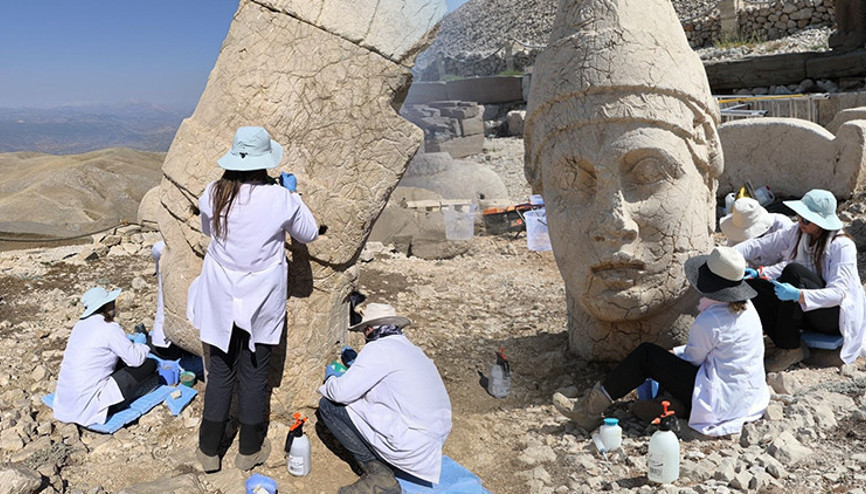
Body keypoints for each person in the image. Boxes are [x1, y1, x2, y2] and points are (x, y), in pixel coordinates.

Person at [187, 126, 319, 472]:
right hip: (261, 300)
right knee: (255, 373)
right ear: (265, 163)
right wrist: (294, 194)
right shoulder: (280, 199)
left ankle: (208, 452)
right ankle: (249, 451)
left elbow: (207, 229)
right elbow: (308, 233)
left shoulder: (214, 191)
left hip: (221, 296)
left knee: (220, 372)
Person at [553, 246, 770, 437]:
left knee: (647, 355)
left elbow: (693, 360)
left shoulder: (710, 320)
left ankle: (590, 408)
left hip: (719, 402)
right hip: (746, 397)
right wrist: (675, 353)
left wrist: (668, 358)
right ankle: (673, 405)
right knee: (667, 360)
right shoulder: (747, 308)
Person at [318, 303, 452, 494]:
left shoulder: (378, 349)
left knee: (329, 406)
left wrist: (332, 378)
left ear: (370, 328)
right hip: (433, 441)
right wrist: (357, 367)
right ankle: (387, 461)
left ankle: (378, 473)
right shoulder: (412, 349)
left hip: (411, 444)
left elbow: (340, 393)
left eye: (365, 329)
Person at [734, 189, 866, 371]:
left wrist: (798, 294)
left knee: (793, 272)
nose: (800, 222)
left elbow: (839, 293)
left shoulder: (842, 246)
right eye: (799, 217)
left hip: (833, 316)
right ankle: (786, 343)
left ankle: (789, 349)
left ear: (821, 223)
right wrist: (731, 258)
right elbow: (762, 245)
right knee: (753, 285)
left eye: (806, 219)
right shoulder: (798, 233)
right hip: (808, 309)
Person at [54, 286, 158, 427]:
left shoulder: (80, 326)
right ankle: (126, 399)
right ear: (105, 306)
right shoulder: (109, 328)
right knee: (149, 365)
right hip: (91, 405)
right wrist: (141, 344)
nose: (114, 305)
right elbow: (135, 360)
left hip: (67, 402)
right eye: (111, 302)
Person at [720, 197, 793, 260]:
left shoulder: (782, 226)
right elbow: (733, 258)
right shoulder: (734, 235)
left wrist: (762, 272)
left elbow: (790, 261)